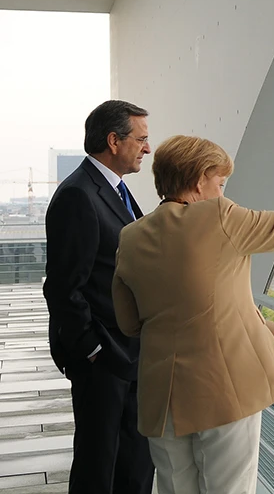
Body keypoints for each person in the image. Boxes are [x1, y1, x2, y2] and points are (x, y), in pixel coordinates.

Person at [112, 130, 274, 494]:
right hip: (225, 390)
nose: (223, 192)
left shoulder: (130, 236)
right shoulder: (219, 216)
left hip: (161, 397)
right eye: (221, 182)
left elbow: (128, 322)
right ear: (199, 181)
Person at [43, 100, 155, 494]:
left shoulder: (116, 190)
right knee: (98, 464)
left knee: (135, 461)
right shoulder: (78, 195)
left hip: (129, 353)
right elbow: (62, 287)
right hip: (103, 357)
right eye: (140, 139)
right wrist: (91, 349)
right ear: (113, 140)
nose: (147, 148)